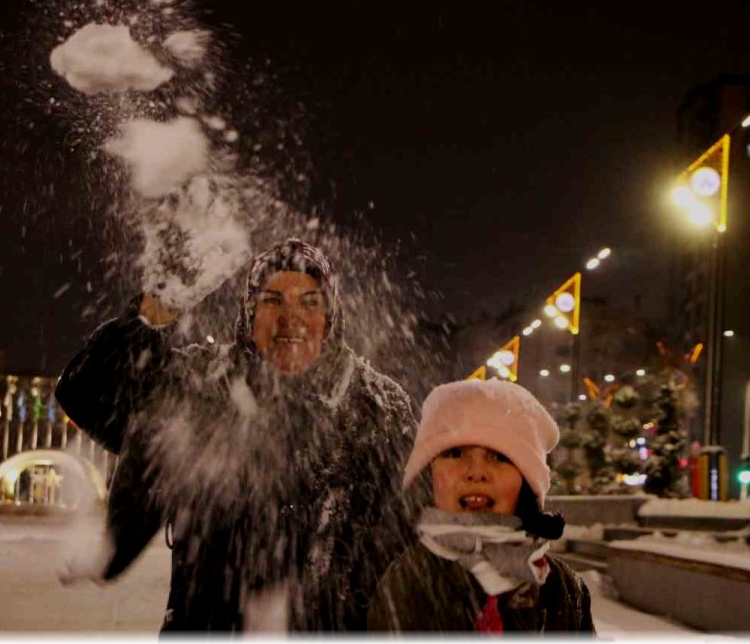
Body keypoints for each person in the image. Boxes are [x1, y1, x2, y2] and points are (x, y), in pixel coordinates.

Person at [55, 238, 418, 632]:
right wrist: (153, 313)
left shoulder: (375, 406)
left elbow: (408, 539)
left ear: (330, 316)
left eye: (309, 303)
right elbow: (84, 391)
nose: (290, 318)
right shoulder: (202, 384)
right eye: (273, 301)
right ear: (249, 311)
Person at [367, 380, 595, 633]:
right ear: (428, 475)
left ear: (527, 482)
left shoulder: (563, 589)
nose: (476, 472)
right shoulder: (403, 582)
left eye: (499, 456)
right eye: (455, 453)